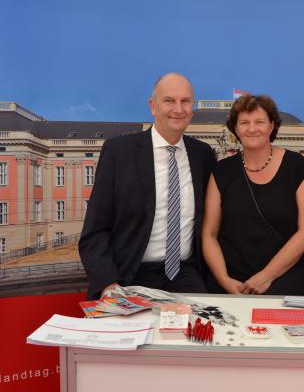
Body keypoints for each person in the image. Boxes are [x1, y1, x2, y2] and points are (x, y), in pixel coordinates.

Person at [78, 73, 217, 299]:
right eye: (169, 101)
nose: (178, 109)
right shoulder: (118, 152)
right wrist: (108, 284)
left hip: (186, 274)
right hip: (130, 274)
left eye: (186, 101)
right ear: (153, 106)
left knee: (204, 331)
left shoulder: (203, 155)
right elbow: (94, 232)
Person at [202, 95, 304, 295]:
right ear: (236, 129)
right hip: (231, 279)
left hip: (286, 276)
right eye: (244, 123)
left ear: (271, 126)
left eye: (259, 122)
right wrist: (224, 280)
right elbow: (209, 233)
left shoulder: (295, 165)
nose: (252, 128)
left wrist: (266, 276)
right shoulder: (221, 171)